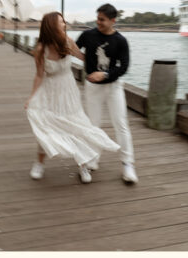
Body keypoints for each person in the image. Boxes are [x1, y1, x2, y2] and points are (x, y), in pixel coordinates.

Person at [25, 12, 120, 183]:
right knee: (46, 127)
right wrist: (32, 97)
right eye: (61, 22)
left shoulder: (67, 41)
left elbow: (84, 58)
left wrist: (106, 70)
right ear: (51, 26)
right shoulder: (41, 49)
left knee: (77, 125)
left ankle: (83, 165)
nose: (64, 24)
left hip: (68, 90)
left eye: (64, 22)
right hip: (49, 91)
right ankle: (39, 164)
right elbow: (39, 75)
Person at [76, 4, 139, 184]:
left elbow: (124, 67)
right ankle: (90, 161)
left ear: (113, 20)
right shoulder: (88, 35)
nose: (98, 22)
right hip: (92, 88)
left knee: (121, 125)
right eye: (97, 18)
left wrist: (104, 74)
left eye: (102, 19)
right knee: (93, 125)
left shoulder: (121, 41)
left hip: (114, 87)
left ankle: (128, 164)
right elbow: (73, 48)